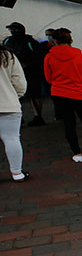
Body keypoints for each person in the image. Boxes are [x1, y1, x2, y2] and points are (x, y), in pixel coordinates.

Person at [45, 28, 82, 163]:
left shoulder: (49, 57)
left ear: (54, 41)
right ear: (71, 40)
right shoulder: (81, 57)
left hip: (59, 93)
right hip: (80, 93)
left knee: (69, 124)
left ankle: (77, 153)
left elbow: (48, 78)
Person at [2, 22, 45, 126]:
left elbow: (40, 57)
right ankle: (20, 117)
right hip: (15, 72)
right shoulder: (8, 41)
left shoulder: (30, 42)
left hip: (30, 72)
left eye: (14, 29)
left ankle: (37, 116)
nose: (12, 31)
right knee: (16, 95)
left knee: (34, 94)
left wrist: (27, 64)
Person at [0, 45, 28, 181]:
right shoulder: (7, 56)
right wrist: (14, 96)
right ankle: (17, 173)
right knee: (11, 139)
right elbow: (20, 82)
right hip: (8, 104)